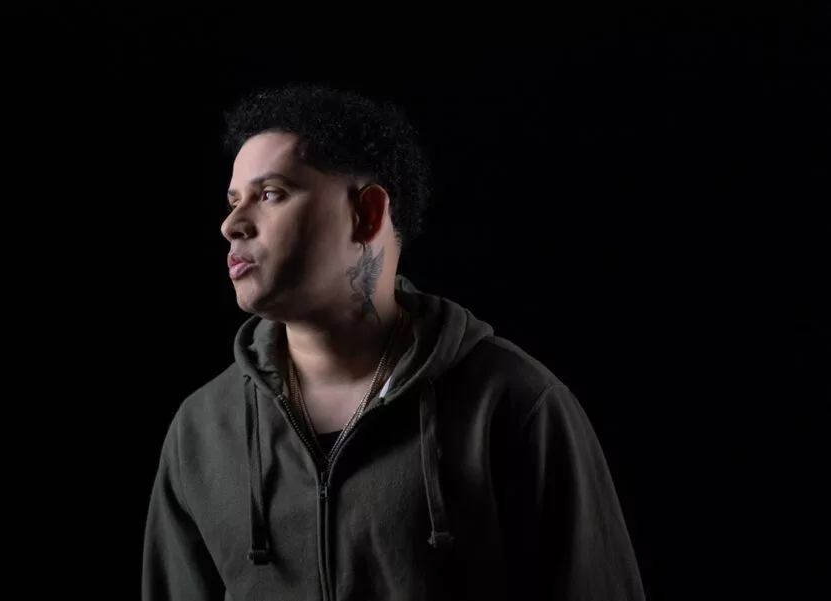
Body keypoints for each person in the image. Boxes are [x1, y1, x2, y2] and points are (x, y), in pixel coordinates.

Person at [142, 84, 646, 600]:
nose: (231, 224)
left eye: (270, 194)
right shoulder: (202, 431)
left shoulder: (512, 404)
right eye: (233, 201)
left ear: (367, 213)